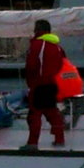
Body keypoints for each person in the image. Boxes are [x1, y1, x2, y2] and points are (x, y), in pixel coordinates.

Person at [23, 19, 65, 149]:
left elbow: (31, 66)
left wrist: (30, 83)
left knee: (34, 114)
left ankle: (32, 143)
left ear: (38, 30)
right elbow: (63, 65)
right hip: (53, 85)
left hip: (39, 84)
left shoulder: (37, 45)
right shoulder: (57, 47)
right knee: (52, 112)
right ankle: (60, 139)